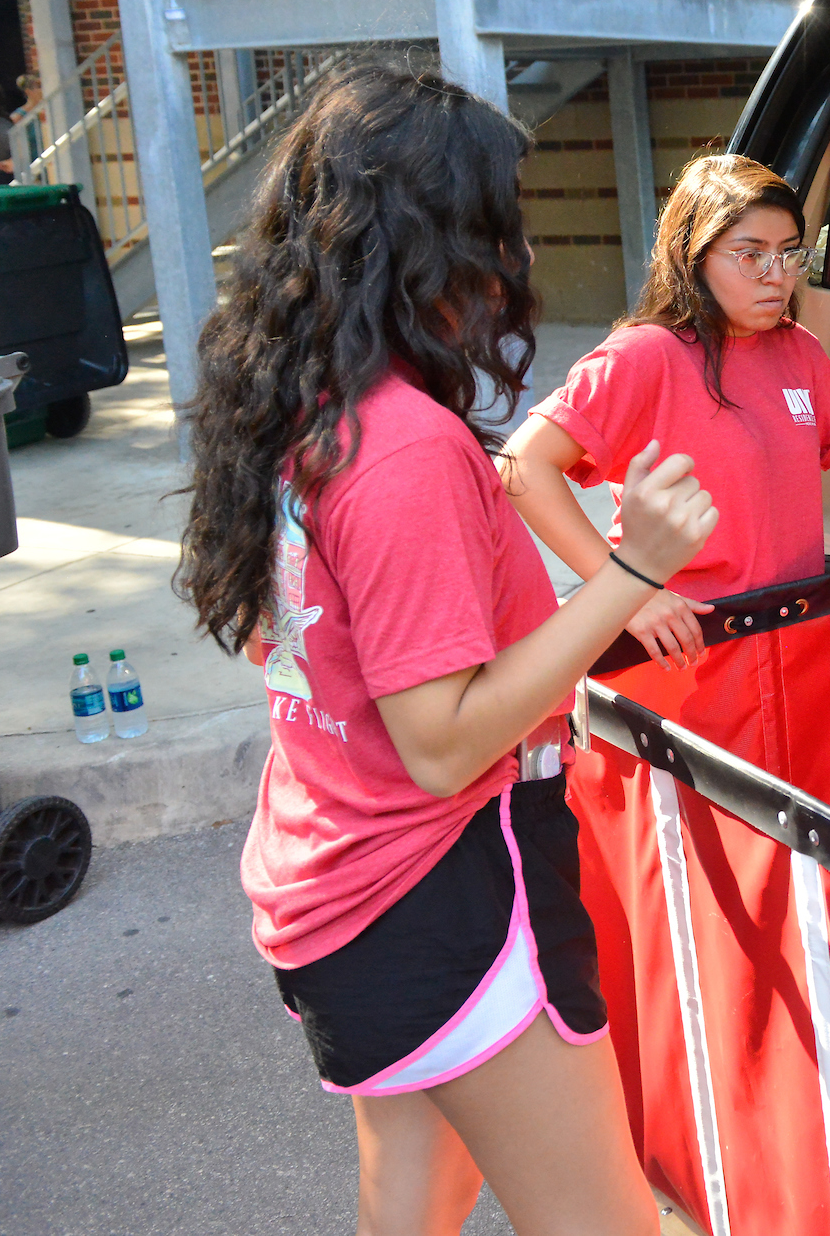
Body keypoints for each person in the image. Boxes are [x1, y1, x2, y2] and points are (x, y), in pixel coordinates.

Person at [177, 61, 714, 1235]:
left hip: (337, 881)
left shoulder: (304, 397)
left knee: (418, 1193)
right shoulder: (407, 449)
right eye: (494, 227)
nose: (512, 259)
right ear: (433, 241)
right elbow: (442, 740)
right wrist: (629, 571)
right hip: (437, 889)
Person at [501, 153, 830, 672]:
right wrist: (627, 591)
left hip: (792, 642)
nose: (777, 276)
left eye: (790, 254)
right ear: (692, 256)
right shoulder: (643, 356)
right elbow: (520, 466)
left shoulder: (800, 351)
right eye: (751, 256)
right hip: (684, 652)